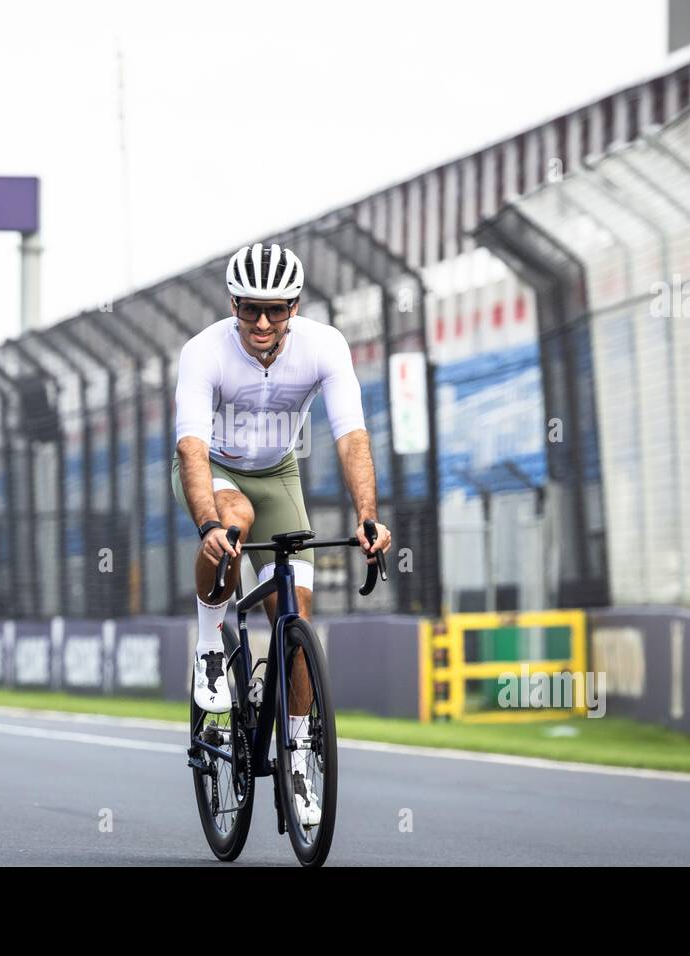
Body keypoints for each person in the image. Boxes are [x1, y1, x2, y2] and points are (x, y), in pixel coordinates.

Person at [172, 242, 392, 827]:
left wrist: (367, 516)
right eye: (250, 310)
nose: (263, 323)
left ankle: (296, 757)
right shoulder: (204, 353)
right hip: (214, 470)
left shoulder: (326, 346)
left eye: (276, 309)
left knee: (294, 618)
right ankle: (210, 645)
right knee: (236, 519)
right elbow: (191, 448)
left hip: (278, 473)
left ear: (295, 305)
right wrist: (209, 525)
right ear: (233, 305)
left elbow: (352, 437)